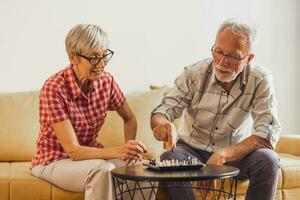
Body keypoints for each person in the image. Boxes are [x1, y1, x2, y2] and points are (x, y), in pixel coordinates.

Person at [151, 18, 281, 200]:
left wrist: (224, 155)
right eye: (218, 52)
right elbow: (164, 109)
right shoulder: (194, 73)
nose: (222, 61)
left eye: (233, 56)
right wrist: (161, 123)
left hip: (235, 153)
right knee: (168, 159)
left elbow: (267, 132)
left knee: (268, 160)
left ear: (249, 58)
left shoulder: (260, 78)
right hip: (191, 150)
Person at [31, 24, 149, 200]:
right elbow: (73, 151)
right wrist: (118, 151)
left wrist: (129, 150)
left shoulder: (106, 82)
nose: (101, 64)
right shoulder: (54, 88)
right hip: (54, 161)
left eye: (104, 56)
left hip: (91, 159)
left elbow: (130, 118)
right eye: (94, 58)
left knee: (144, 169)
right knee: (102, 170)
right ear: (73, 57)